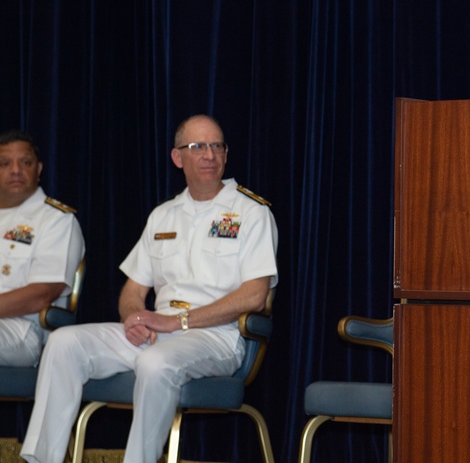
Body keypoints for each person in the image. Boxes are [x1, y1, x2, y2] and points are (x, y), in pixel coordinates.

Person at [20, 115, 278, 463]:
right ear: (177, 158)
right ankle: (40, 459)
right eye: (197, 147)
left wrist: (178, 322)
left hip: (216, 336)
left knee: (156, 363)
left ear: (226, 155)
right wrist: (133, 318)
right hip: (159, 330)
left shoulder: (251, 212)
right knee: (65, 343)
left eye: (217, 146)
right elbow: (132, 291)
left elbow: (254, 295)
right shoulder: (163, 215)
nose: (209, 155)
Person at [0, 130, 85, 367]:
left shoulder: (56, 220)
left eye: (25, 163)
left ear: (38, 170)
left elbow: (44, 292)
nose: (15, 170)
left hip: (21, 331)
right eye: (4, 164)